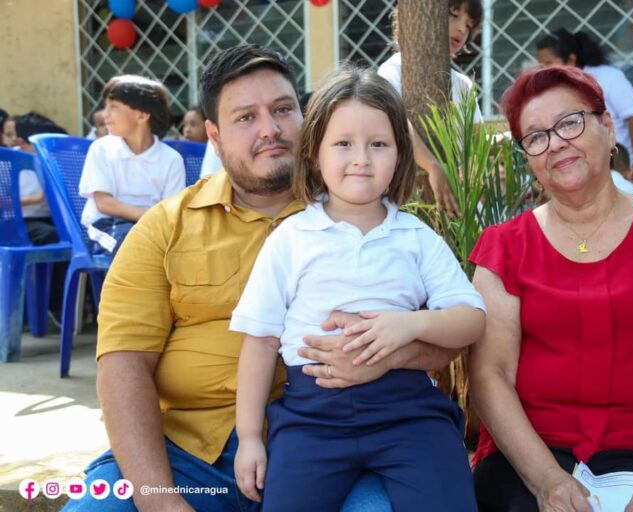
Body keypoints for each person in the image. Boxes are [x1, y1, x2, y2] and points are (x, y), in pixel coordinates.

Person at [64, 45, 462, 512]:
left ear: (307, 119)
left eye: (282, 110)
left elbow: (447, 334)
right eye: (245, 117)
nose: (270, 129)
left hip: (330, 438)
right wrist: (162, 501)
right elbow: (123, 368)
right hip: (185, 454)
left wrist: (386, 359)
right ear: (213, 135)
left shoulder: (365, 216)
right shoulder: (164, 227)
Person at [468, 65, 633, 512]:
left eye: (569, 123)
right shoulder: (504, 248)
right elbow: (489, 377)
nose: (556, 142)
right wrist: (546, 481)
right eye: (536, 137)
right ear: (529, 158)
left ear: (608, 126)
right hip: (533, 459)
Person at [231, 67, 484, 511]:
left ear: (399, 156)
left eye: (378, 144)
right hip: (311, 420)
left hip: (408, 415)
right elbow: (261, 340)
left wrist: (407, 326)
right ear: (313, 154)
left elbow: (471, 319)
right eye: (343, 143)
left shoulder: (415, 236)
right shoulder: (291, 239)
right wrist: (250, 437)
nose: (361, 158)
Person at [377, 0, 484, 217]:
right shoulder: (392, 69)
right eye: (454, 15)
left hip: (462, 205)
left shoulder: (463, 84)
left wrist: (471, 180)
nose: (462, 29)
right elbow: (394, 121)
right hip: (407, 202)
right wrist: (432, 166)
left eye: (469, 24)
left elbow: (476, 140)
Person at [78, 75, 185, 256]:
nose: (106, 115)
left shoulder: (171, 159)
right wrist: (148, 217)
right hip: (106, 224)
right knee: (133, 246)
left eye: (114, 107)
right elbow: (104, 203)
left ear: (142, 115)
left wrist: (154, 223)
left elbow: (171, 211)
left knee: (183, 248)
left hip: (152, 226)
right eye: (106, 107)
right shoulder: (102, 149)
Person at [536, 28, 633, 188]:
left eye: (548, 63)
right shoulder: (557, 90)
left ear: (570, 60)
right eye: (540, 65)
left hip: (621, 173)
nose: (543, 70)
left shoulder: (608, 77)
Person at [12, 112, 69, 322]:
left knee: (75, 238)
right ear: (22, 143)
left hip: (51, 219)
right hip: (20, 223)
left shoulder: (50, 160)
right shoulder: (8, 161)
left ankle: (69, 307)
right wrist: (33, 199)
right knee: (52, 236)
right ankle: (54, 306)